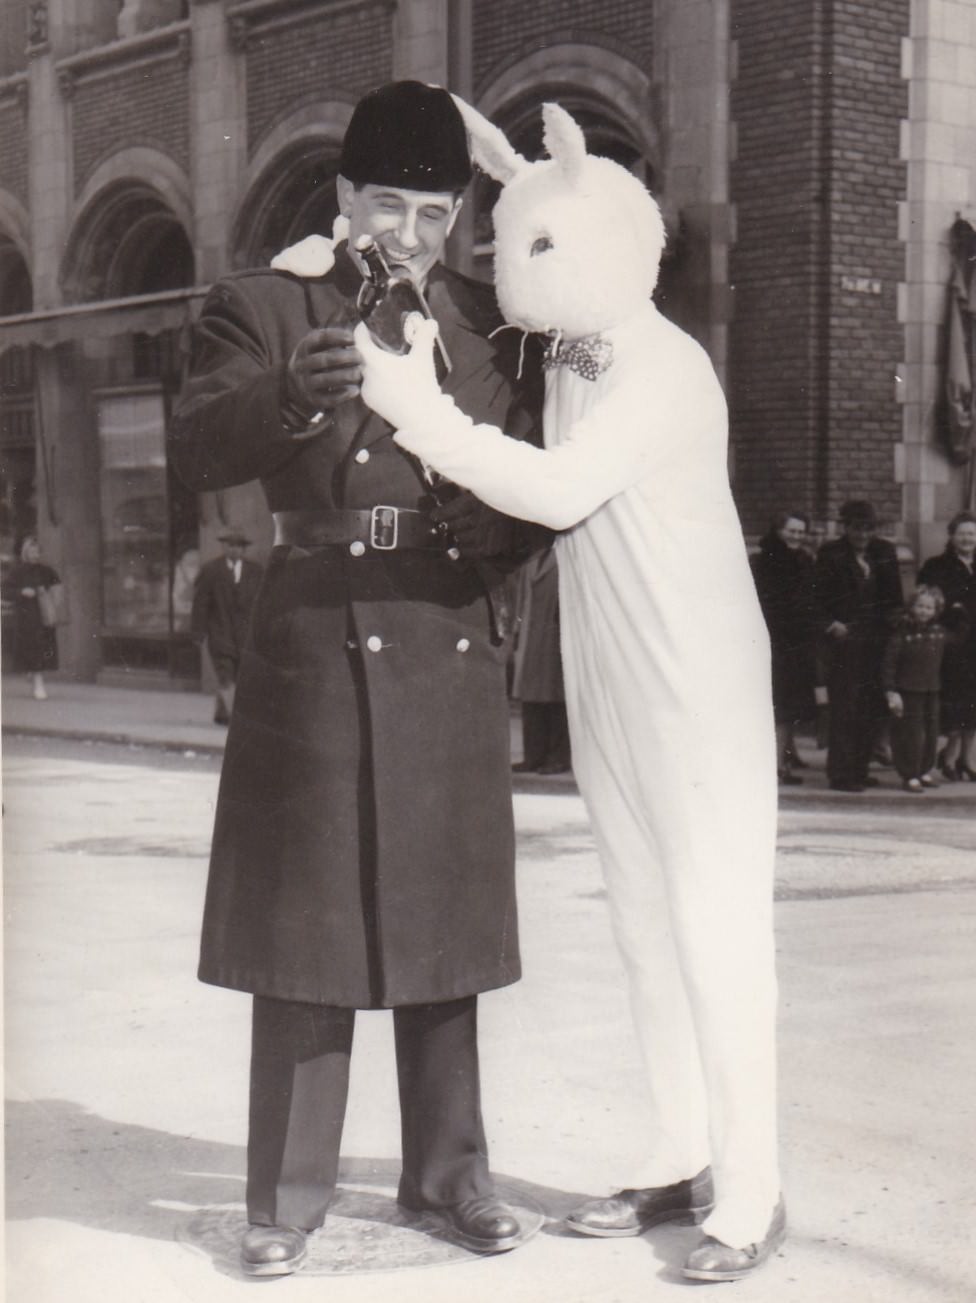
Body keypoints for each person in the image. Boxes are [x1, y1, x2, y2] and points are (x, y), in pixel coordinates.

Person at [357, 99, 783, 1284]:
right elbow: (460, 314)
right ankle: (675, 1149)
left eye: (538, 247)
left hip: (692, 678)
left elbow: (552, 491)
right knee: (646, 930)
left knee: (715, 931)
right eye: (508, 243)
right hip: (606, 669)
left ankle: (751, 1190)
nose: (512, 270)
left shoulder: (662, 362)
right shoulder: (572, 356)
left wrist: (413, 409)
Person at [169, 80, 543, 1277]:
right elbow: (202, 440)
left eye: (438, 213)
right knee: (309, 933)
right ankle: (283, 1201)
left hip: (443, 629)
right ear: (343, 201)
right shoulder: (264, 305)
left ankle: (450, 1175)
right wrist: (293, 393)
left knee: (446, 928)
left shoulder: (488, 327)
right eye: (391, 207)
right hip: (317, 637)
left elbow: (535, 475)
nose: (415, 237)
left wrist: (506, 541)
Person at [812, 500, 904, 792]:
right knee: (845, 707)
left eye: (867, 528)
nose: (862, 534)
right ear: (845, 527)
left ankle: (860, 769)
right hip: (844, 643)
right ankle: (841, 773)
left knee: (870, 706)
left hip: (876, 642)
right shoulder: (831, 554)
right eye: (855, 528)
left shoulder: (884, 553)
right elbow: (813, 600)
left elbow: (895, 599)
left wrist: (894, 625)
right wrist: (831, 624)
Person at [917, 511, 976, 781]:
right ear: (952, 536)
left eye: (972, 534)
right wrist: (950, 610)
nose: (967, 538)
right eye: (961, 533)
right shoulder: (936, 566)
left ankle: (964, 761)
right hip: (947, 643)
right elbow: (923, 601)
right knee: (952, 704)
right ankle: (946, 755)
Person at [750, 512, 819, 784]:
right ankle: (776, 764)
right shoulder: (765, 560)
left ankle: (787, 754)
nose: (796, 536)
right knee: (780, 704)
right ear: (779, 530)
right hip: (776, 639)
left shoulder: (804, 560)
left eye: (801, 532)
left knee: (791, 703)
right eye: (792, 530)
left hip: (797, 641)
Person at [882, 585, 968, 792]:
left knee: (931, 733)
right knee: (910, 734)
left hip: (932, 690)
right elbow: (889, 663)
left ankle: (923, 770)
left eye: (929, 608)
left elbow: (959, 638)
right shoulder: (901, 632)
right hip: (907, 690)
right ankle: (909, 774)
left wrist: (961, 614)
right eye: (920, 606)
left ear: (936, 611)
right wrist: (890, 690)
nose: (924, 611)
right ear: (911, 607)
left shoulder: (938, 632)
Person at [190, 528, 263, 724]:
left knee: (240, 675)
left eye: (239, 546)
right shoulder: (211, 570)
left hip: (245, 635)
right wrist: (198, 632)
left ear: (244, 549)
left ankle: (222, 713)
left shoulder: (255, 571)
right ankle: (236, 717)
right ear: (224, 547)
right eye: (230, 545)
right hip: (220, 632)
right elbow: (200, 604)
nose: (234, 550)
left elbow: (262, 604)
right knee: (225, 674)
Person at [511, 543, 570, 774]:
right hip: (531, 635)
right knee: (531, 696)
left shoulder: (566, 557)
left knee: (555, 697)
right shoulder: (533, 557)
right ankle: (533, 756)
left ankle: (559, 757)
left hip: (555, 634)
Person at [5, 535, 62, 700]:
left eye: (38, 551)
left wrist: (50, 597)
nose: (35, 555)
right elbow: (5, 591)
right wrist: (21, 592)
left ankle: (37, 679)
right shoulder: (17, 571)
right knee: (32, 649)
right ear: (25, 552)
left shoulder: (47, 571)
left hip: (44, 616)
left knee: (40, 650)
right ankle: (37, 681)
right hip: (25, 617)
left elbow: (58, 589)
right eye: (32, 551)